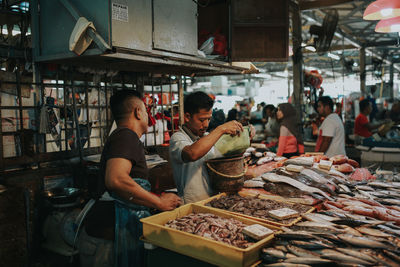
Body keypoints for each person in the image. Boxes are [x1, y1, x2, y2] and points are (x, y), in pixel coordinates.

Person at [82, 90, 181, 267]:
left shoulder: (123, 136)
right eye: (145, 110)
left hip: (108, 234)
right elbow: (116, 179)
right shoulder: (126, 136)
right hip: (107, 240)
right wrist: (158, 202)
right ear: (137, 112)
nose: (147, 114)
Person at [169, 92, 245, 204]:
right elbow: (192, 153)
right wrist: (220, 129)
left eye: (208, 119)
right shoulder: (178, 138)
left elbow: (227, 157)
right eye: (201, 120)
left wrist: (244, 137)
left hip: (213, 201)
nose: (205, 124)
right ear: (187, 117)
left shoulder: (207, 137)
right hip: (192, 204)